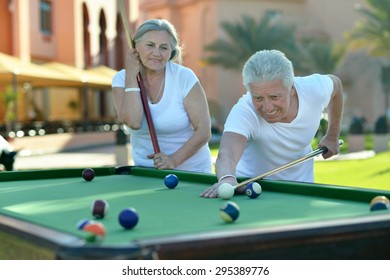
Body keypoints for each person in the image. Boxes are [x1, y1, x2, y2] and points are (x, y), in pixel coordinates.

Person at [201, 49, 344, 198]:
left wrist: (332, 135)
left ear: (292, 89)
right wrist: (227, 179)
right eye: (258, 98)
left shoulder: (314, 89)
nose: (267, 107)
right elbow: (227, 154)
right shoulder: (245, 110)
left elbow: (337, 86)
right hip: (250, 191)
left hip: (303, 189)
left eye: (274, 97)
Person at [112, 19, 212, 173]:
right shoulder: (121, 79)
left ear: (171, 51)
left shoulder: (184, 77)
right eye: (150, 45)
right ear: (135, 46)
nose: (157, 53)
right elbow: (133, 122)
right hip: (146, 171)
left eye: (164, 47)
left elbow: (204, 131)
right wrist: (131, 76)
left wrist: (174, 160)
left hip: (191, 172)